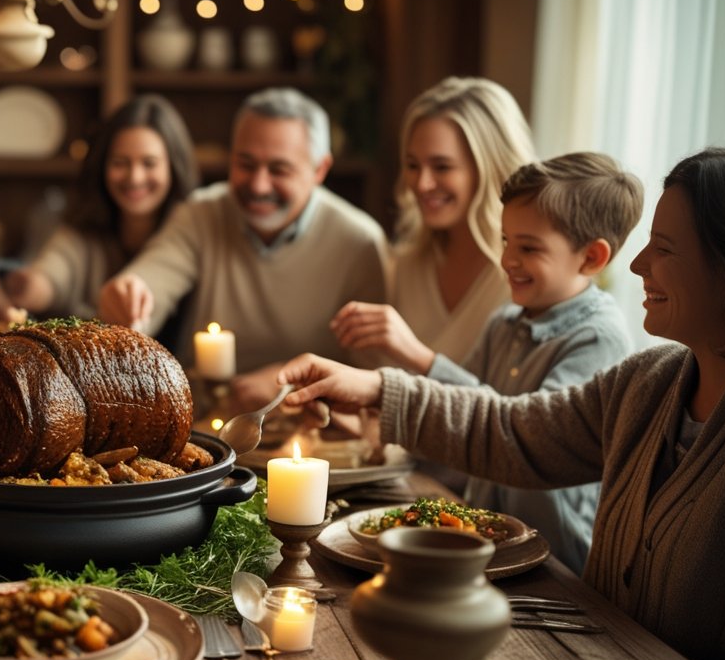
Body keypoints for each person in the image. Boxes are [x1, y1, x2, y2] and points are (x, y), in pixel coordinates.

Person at [275, 147, 725, 660]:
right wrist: (376, 388)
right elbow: (512, 430)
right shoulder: (648, 382)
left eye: (664, 248)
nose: (637, 266)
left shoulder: (609, 345)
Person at [97, 87, 388, 412]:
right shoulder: (201, 214)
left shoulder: (360, 242)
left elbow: (372, 379)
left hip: (313, 436)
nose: (259, 185)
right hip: (206, 425)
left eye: (279, 170)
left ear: (320, 169)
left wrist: (289, 383)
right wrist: (128, 295)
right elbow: (152, 279)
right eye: (245, 164)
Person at [435, 152, 643, 574]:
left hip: (554, 564)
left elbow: (528, 436)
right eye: (507, 240)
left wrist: (421, 359)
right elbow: (454, 411)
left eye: (528, 247)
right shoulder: (503, 323)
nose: (508, 259)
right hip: (482, 545)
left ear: (591, 259)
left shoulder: (599, 337)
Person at [330, 77, 536, 373]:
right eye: (413, 165)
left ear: (490, 167)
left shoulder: (524, 276)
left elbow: (511, 411)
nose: (422, 184)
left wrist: (412, 353)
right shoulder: (406, 264)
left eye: (442, 167)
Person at [3, 94, 199, 329]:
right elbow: (52, 271)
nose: (134, 178)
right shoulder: (83, 230)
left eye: (149, 163)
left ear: (173, 166)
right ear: (102, 166)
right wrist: (20, 285)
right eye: (120, 163)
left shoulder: (192, 232)